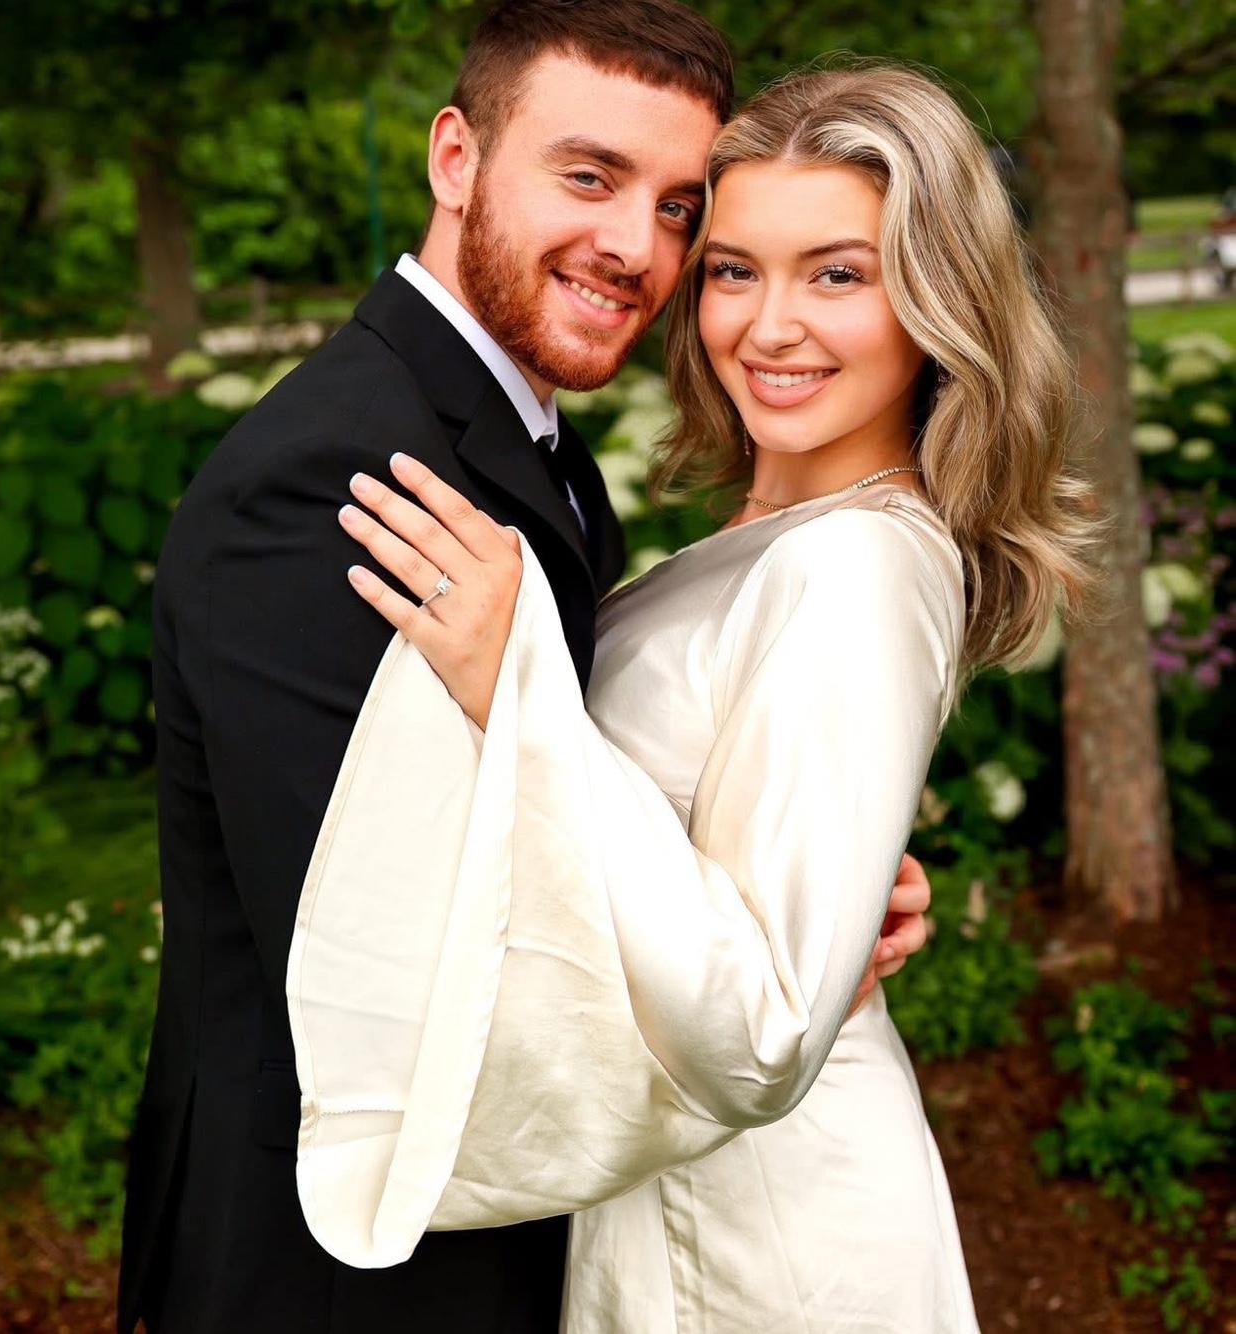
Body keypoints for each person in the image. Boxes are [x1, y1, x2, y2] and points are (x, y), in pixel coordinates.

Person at [117, 6, 935, 1333]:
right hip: (340, 1259)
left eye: (676, 208)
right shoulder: (341, 479)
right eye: (588, 176)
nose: (634, 246)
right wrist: (754, 982)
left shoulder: (523, 448)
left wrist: (794, 892)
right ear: (455, 157)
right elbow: (398, 963)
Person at [288, 62, 1095, 1332]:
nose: (769, 327)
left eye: (836, 274)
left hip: (765, 1241)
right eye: (731, 270)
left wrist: (520, 691)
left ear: (936, 296)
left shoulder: (859, 563)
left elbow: (762, 1025)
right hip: (684, 1193)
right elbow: (744, 893)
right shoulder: (785, 534)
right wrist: (832, 901)